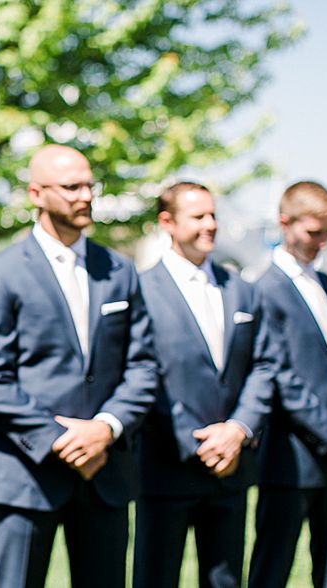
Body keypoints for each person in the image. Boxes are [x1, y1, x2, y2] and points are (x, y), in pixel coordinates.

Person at [0, 144, 158, 588]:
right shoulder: (1, 272)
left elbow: (143, 366)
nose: (84, 196)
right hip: (27, 473)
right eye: (71, 186)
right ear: (36, 193)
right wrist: (64, 441)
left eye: (89, 185)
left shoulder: (120, 270)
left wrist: (106, 428)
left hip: (106, 473)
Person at [133, 182, 274, 588]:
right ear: (167, 223)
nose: (210, 224)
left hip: (231, 465)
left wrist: (237, 430)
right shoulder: (141, 289)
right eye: (198, 216)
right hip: (166, 464)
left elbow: (264, 366)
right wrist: (196, 441)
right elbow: (143, 373)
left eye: (213, 215)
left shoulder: (241, 288)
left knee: (227, 581)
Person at [248, 181, 327, 588]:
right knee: (272, 568)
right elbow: (280, 376)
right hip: (290, 459)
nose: (322, 242)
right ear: (284, 223)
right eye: (313, 232)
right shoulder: (262, 291)